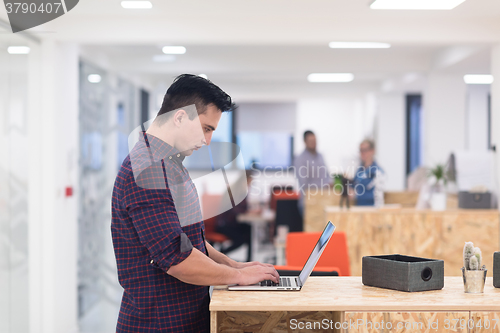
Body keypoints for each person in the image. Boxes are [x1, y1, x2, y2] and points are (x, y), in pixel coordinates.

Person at [111, 74, 279, 333]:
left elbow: (188, 240)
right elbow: (178, 260)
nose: (207, 140)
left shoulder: (169, 164)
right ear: (179, 117)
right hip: (159, 325)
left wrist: (232, 265)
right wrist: (238, 277)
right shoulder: (149, 171)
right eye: (206, 128)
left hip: (186, 317)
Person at [215, 170, 253, 262]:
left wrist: (249, 211)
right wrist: (248, 212)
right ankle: (221, 254)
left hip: (233, 223)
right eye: (249, 182)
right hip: (225, 224)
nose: (250, 185)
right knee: (240, 239)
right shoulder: (234, 191)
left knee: (249, 229)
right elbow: (235, 210)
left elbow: (242, 209)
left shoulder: (240, 191)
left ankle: (249, 259)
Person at [293, 130, 331, 214]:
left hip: (323, 201)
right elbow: (304, 184)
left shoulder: (320, 156)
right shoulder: (300, 159)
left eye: (314, 141)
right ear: (305, 142)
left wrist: (332, 182)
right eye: (310, 141)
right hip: (308, 203)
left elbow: (327, 175)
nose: (313, 143)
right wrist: (325, 185)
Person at [352, 139, 384, 206]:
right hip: (358, 208)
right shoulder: (359, 170)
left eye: (365, 150)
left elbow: (377, 194)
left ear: (372, 151)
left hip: (371, 210)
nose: (363, 153)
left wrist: (356, 195)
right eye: (361, 150)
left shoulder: (378, 172)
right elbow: (353, 184)